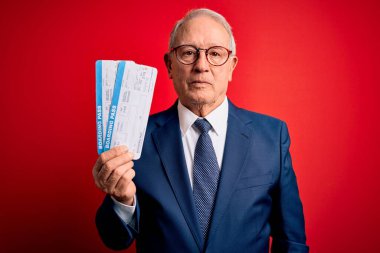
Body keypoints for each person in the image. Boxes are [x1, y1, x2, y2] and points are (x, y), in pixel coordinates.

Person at [92, 8, 309, 253]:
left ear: (231, 67)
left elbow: (292, 242)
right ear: (170, 65)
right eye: (188, 53)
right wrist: (122, 200)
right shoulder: (136, 138)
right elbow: (114, 239)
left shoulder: (272, 137)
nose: (201, 66)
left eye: (215, 54)